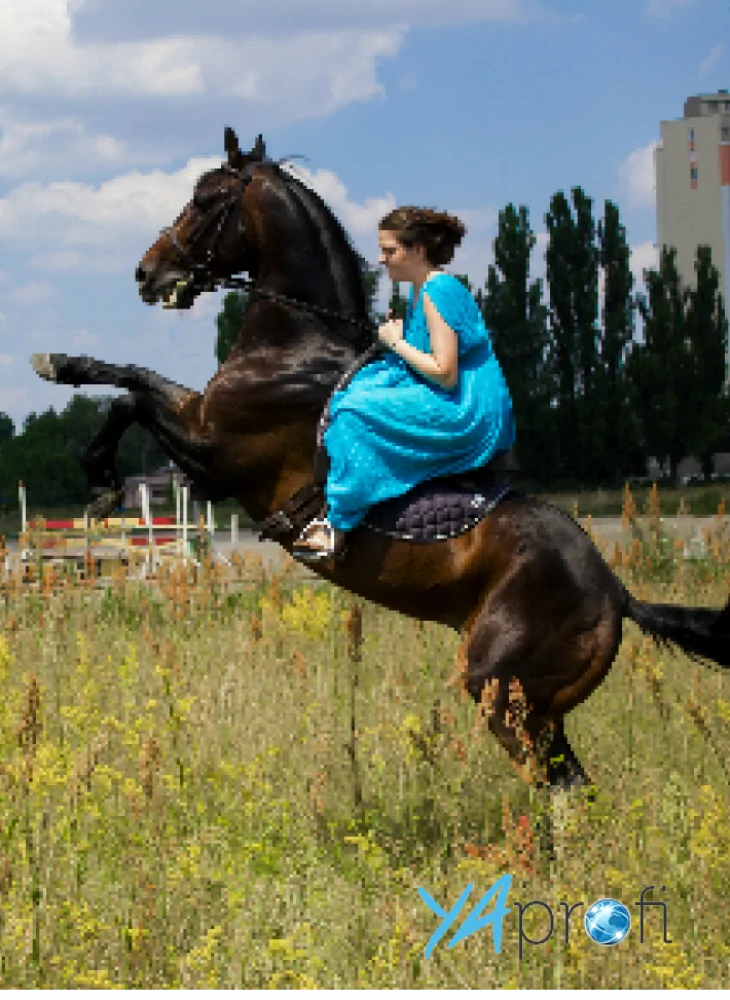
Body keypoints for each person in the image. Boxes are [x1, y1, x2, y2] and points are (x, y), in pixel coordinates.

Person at [292, 206, 516, 561]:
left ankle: (339, 523)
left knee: (353, 411)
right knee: (355, 389)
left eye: (389, 250)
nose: (382, 259)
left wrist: (395, 342)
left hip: (464, 408)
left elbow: (445, 371)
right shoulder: (420, 289)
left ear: (418, 250)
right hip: (448, 393)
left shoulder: (437, 290)